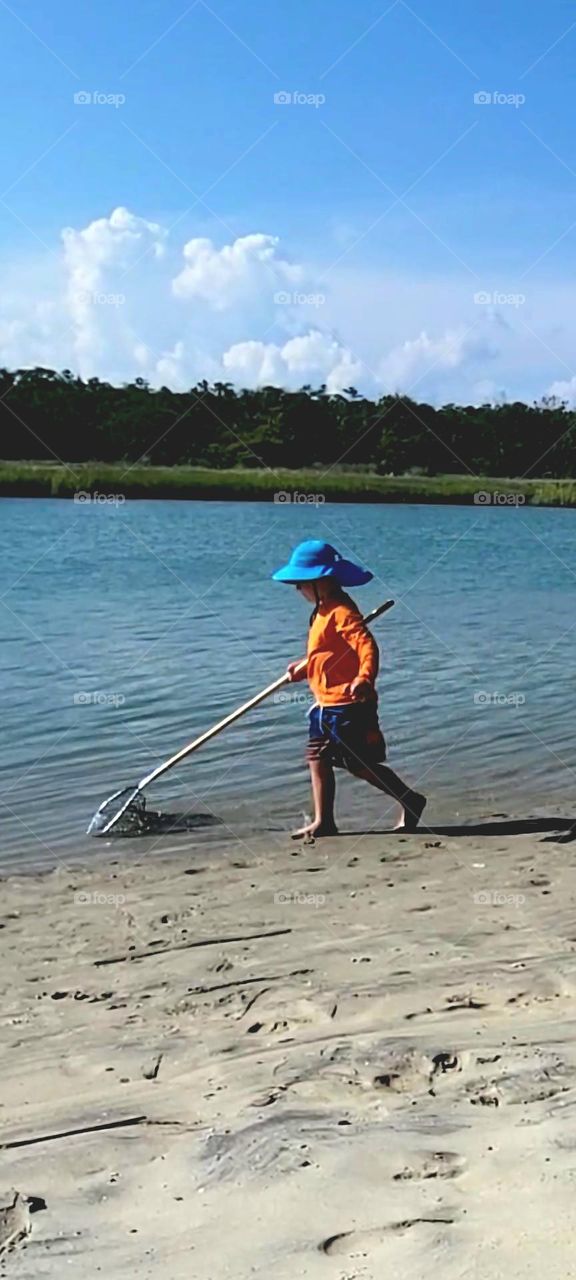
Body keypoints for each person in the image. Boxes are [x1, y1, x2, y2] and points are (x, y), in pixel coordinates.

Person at [272, 539, 426, 838]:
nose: (296, 589)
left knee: (357, 763)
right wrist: (306, 668)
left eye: (300, 582)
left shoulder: (341, 610)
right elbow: (329, 652)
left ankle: (410, 799)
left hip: (348, 701)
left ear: (321, 581)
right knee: (316, 756)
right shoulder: (322, 609)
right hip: (324, 702)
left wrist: (365, 678)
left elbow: (365, 645)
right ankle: (324, 821)